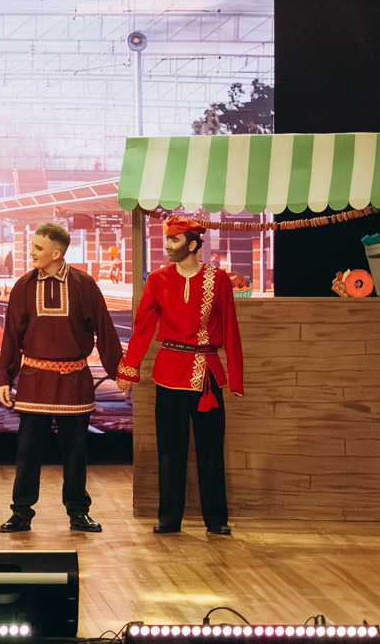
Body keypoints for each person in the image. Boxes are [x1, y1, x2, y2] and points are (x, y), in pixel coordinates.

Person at [0, 222, 124, 533]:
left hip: (73, 381)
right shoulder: (24, 286)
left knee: (76, 450)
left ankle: (78, 512)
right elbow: (11, 336)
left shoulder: (83, 284)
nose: (31, 252)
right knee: (27, 450)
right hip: (34, 379)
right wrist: (3, 377)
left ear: (56, 253)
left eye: (38, 247)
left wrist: (119, 371)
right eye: (32, 245)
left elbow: (105, 329)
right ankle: (21, 513)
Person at [117, 215, 244, 535]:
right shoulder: (157, 279)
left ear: (193, 243)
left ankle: (216, 519)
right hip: (169, 371)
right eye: (167, 239)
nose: (168, 246)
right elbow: (143, 326)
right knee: (170, 449)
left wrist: (236, 375)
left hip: (206, 374)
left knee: (211, 450)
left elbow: (230, 326)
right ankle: (169, 518)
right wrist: (129, 368)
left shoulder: (219, 279)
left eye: (174, 240)